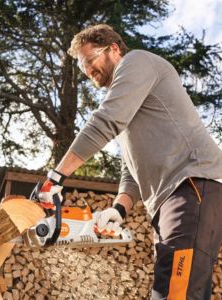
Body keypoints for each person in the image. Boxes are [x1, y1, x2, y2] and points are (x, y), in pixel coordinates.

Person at [38, 24, 222, 300]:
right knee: (179, 291)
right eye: (83, 67)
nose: (88, 71)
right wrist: (119, 210)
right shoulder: (130, 100)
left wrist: (56, 178)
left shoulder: (137, 62)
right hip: (171, 202)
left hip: (192, 186)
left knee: (175, 293)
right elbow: (131, 170)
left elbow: (105, 121)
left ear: (113, 49)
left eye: (90, 60)